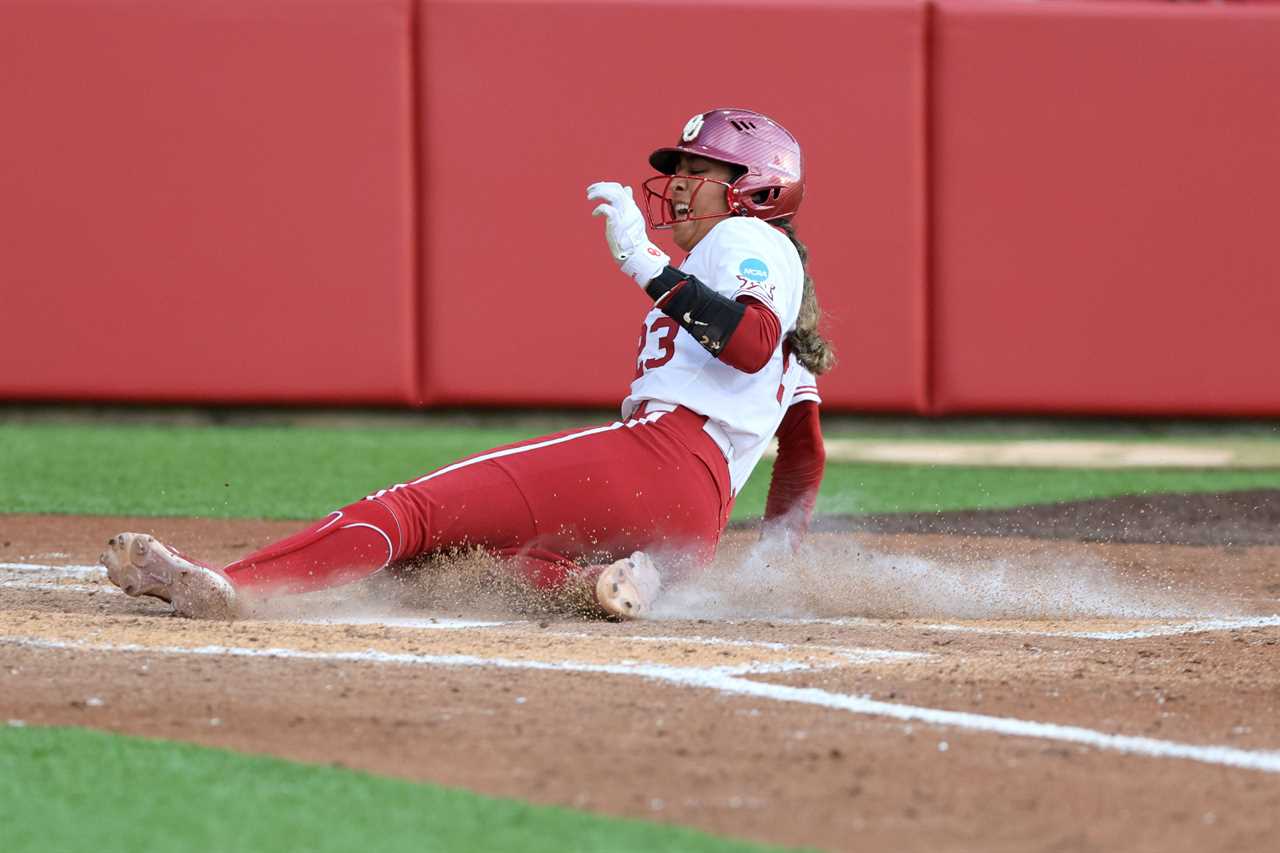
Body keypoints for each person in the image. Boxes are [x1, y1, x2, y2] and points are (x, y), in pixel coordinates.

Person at [100, 107, 834, 621]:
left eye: (699, 168)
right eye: (680, 170)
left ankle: (228, 586)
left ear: (755, 185)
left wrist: (643, 263)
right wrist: (774, 561)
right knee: (463, 566)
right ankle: (592, 586)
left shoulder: (751, 241)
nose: (677, 183)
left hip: (661, 457)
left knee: (411, 513)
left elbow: (747, 341)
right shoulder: (761, 277)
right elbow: (801, 450)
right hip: (692, 521)